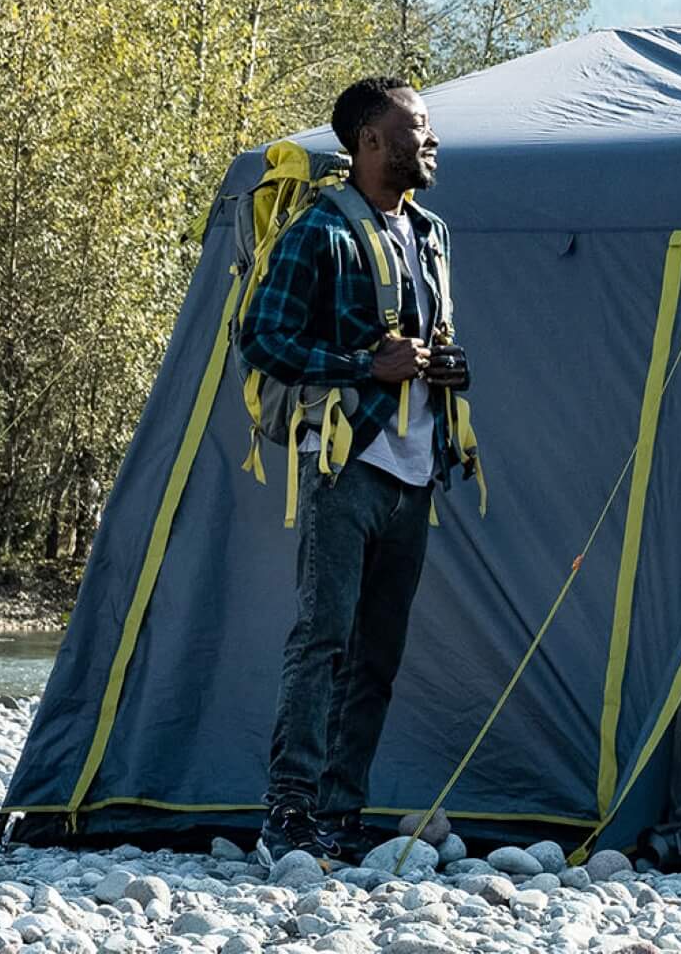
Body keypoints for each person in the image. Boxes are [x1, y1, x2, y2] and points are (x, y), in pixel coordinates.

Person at [239, 77, 473, 869]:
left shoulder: (433, 233)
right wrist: (362, 366)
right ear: (370, 141)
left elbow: (422, 337)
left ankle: (341, 812)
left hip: (417, 471)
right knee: (322, 640)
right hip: (346, 465)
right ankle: (289, 813)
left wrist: (444, 368)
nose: (431, 141)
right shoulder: (318, 231)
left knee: (377, 653)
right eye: (417, 128)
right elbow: (262, 338)